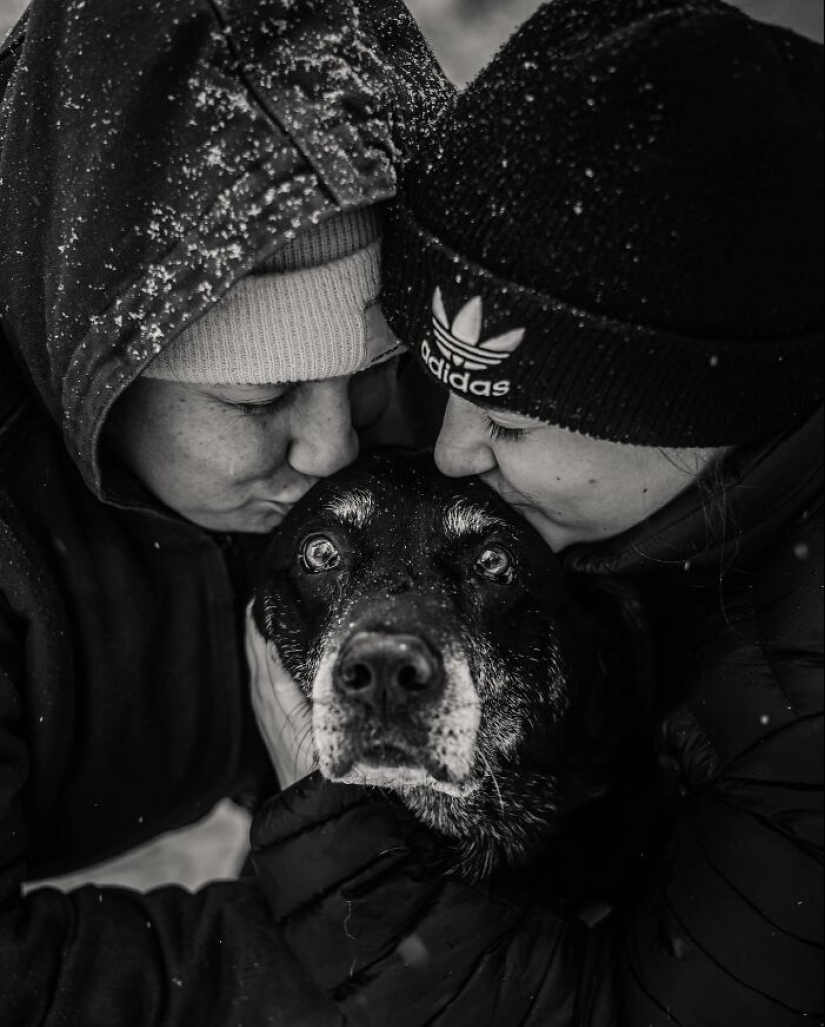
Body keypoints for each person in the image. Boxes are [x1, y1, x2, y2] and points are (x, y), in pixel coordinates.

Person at [250, 1, 824, 1024]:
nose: (455, 452)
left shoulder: (801, 696)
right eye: (444, 393)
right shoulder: (677, 510)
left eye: (509, 424)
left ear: (695, 413)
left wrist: (334, 841)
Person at [0, 0, 450, 1023]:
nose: (333, 452)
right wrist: (360, 951)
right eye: (260, 399)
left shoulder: (417, 407)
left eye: (369, 375)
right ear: (99, 378)